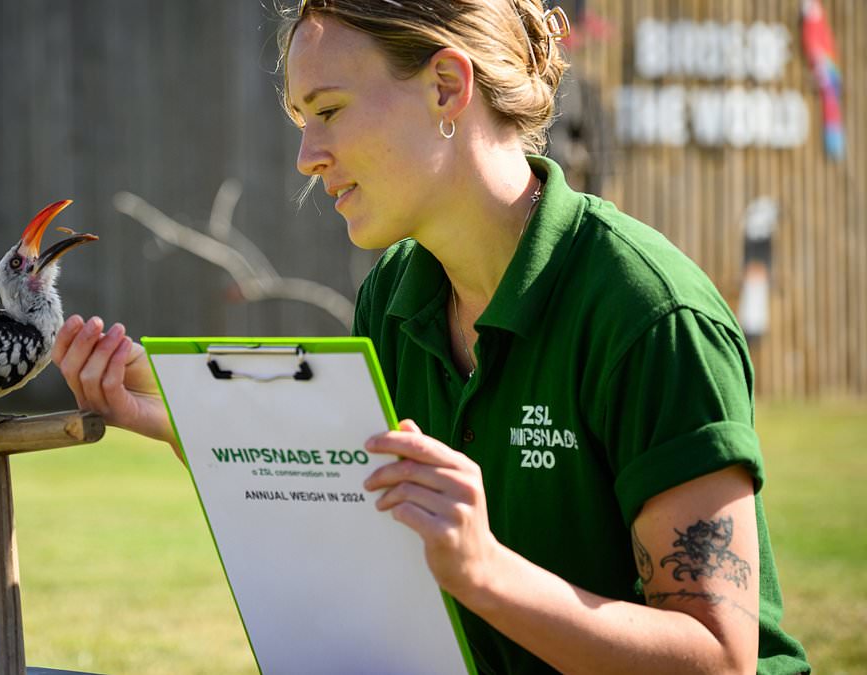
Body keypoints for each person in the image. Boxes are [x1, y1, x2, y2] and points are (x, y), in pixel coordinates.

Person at [52, 1, 809, 672]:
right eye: (300, 120)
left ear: (447, 87)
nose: (307, 156)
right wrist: (211, 437)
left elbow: (718, 657)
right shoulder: (395, 295)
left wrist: (484, 570)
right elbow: (366, 540)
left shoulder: (651, 316)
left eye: (330, 109)